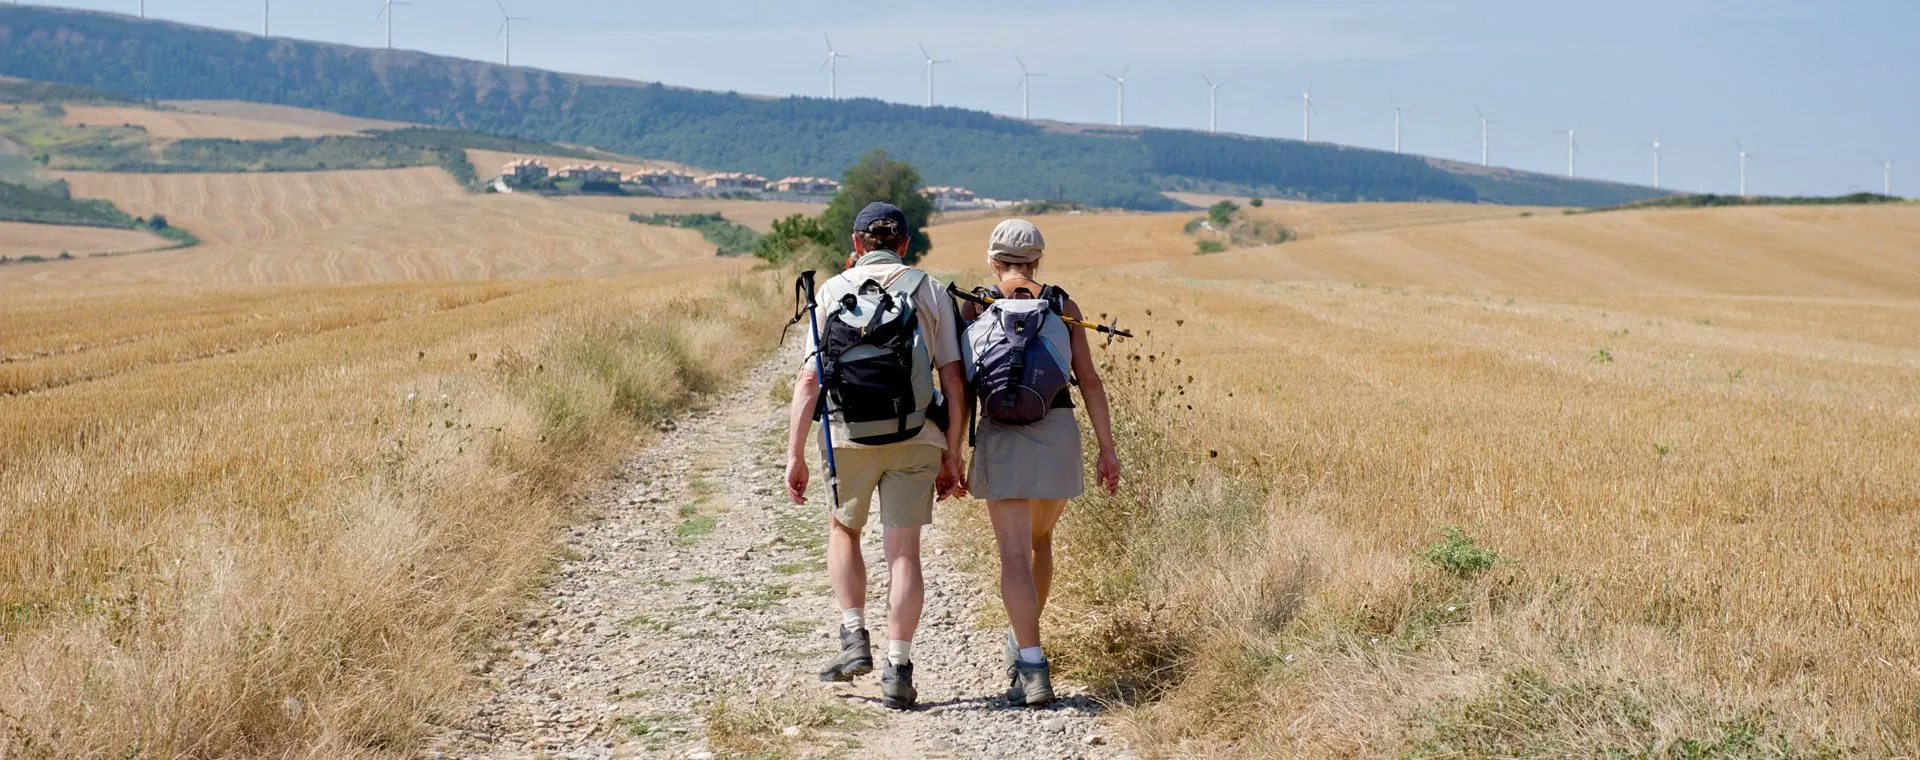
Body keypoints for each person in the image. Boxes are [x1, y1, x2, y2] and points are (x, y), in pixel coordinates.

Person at [783, 202, 968, 710]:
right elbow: (953, 380)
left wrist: (794, 454)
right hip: (916, 435)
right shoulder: (929, 289)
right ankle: (899, 668)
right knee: (904, 553)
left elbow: (808, 379)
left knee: (844, 530)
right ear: (906, 243)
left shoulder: (831, 291)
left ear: (857, 242)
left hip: (848, 437)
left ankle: (853, 639)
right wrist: (953, 454)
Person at [962, 218, 1122, 706]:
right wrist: (1107, 447)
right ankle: (1023, 640)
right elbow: (1088, 381)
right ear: (1038, 259)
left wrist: (951, 452)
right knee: (1040, 540)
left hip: (1000, 434)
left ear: (993, 260)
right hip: (1057, 433)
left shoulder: (972, 305)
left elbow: (959, 384)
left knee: (1011, 555)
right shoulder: (1062, 305)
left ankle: (1031, 662)